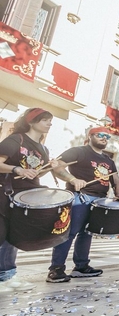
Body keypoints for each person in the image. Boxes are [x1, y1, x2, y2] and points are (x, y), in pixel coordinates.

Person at [48, 126, 119, 283]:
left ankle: (81, 267)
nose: (104, 138)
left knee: (87, 233)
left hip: (99, 201)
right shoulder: (79, 151)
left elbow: (115, 178)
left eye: (107, 136)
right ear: (90, 136)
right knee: (69, 233)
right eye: (100, 135)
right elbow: (57, 166)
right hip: (79, 198)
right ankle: (56, 270)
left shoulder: (109, 160)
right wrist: (72, 179)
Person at [0, 108, 55, 291]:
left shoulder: (42, 148)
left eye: (50, 120)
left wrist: (50, 167)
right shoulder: (17, 139)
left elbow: (37, 173)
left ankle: (7, 275)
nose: (49, 123)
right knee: (2, 234)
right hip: (7, 193)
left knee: (13, 235)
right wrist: (17, 169)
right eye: (45, 120)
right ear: (32, 121)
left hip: (25, 196)